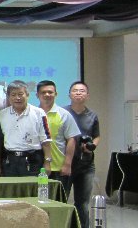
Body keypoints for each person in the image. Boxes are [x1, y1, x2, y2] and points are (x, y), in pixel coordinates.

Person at [63, 81, 100, 228]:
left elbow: (97, 136)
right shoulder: (63, 113)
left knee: (83, 203)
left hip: (86, 165)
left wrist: (92, 146)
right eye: (75, 90)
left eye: (82, 91)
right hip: (65, 164)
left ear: (87, 95)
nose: (78, 93)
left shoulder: (92, 115)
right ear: (69, 94)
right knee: (62, 200)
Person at [0, 80, 52, 177]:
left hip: (32, 160)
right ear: (8, 97)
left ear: (27, 95)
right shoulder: (2, 114)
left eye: (20, 94)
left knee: (32, 191)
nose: (17, 98)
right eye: (13, 95)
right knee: (11, 191)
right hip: (10, 161)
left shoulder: (39, 113)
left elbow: (46, 141)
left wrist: (47, 162)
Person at [37, 80, 80, 195]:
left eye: (50, 92)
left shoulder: (64, 114)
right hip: (37, 166)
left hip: (58, 167)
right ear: (37, 95)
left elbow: (71, 139)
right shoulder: (33, 113)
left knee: (59, 201)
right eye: (43, 92)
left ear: (56, 94)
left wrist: (67, 164)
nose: (47, 95)